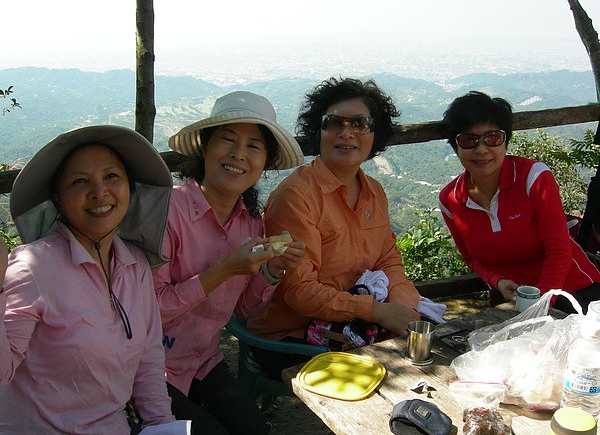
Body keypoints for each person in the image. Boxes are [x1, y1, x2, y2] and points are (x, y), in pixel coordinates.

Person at [0, 126, 190, 434]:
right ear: (58, 200)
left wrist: (160, 423)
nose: (99, 191)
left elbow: (149, 355)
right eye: (79, 181)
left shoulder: (134, 264)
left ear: (130, 187)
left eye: (112, 176)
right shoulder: (34, 266)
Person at [153, 91, 306, 435]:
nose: (239, 154)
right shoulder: (168, 213)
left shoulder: (250, 223)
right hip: (149, 367)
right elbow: (149, 312)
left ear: (264, 162)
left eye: (254, 146)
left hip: (204, 361)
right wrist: (223, 270)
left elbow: (245, 311)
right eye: (228, 140)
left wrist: (272, 270)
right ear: (205, 148)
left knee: (255, 430)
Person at [247, 77, 421, 380]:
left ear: (375, 133)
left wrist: (402, 307)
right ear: (319, 130)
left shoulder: (373, 191)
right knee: (394, 378)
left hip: (352, 325)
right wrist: (376, 312)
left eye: (360, 123)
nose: (346, 132)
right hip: (291, 336)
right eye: (333, 122)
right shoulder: (297, 196)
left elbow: (388, 259)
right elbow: (299, 292)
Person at [438, 91, 600, 314]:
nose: (482, 149)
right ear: (456, 147)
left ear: (505, 140)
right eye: (469, 140)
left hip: (574, 292)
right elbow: (470, 258)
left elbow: (559, 250)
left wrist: (539, 305)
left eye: (492, 137)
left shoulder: (533, 178)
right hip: (513, 300)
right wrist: (498, 281)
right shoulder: (451, 200)